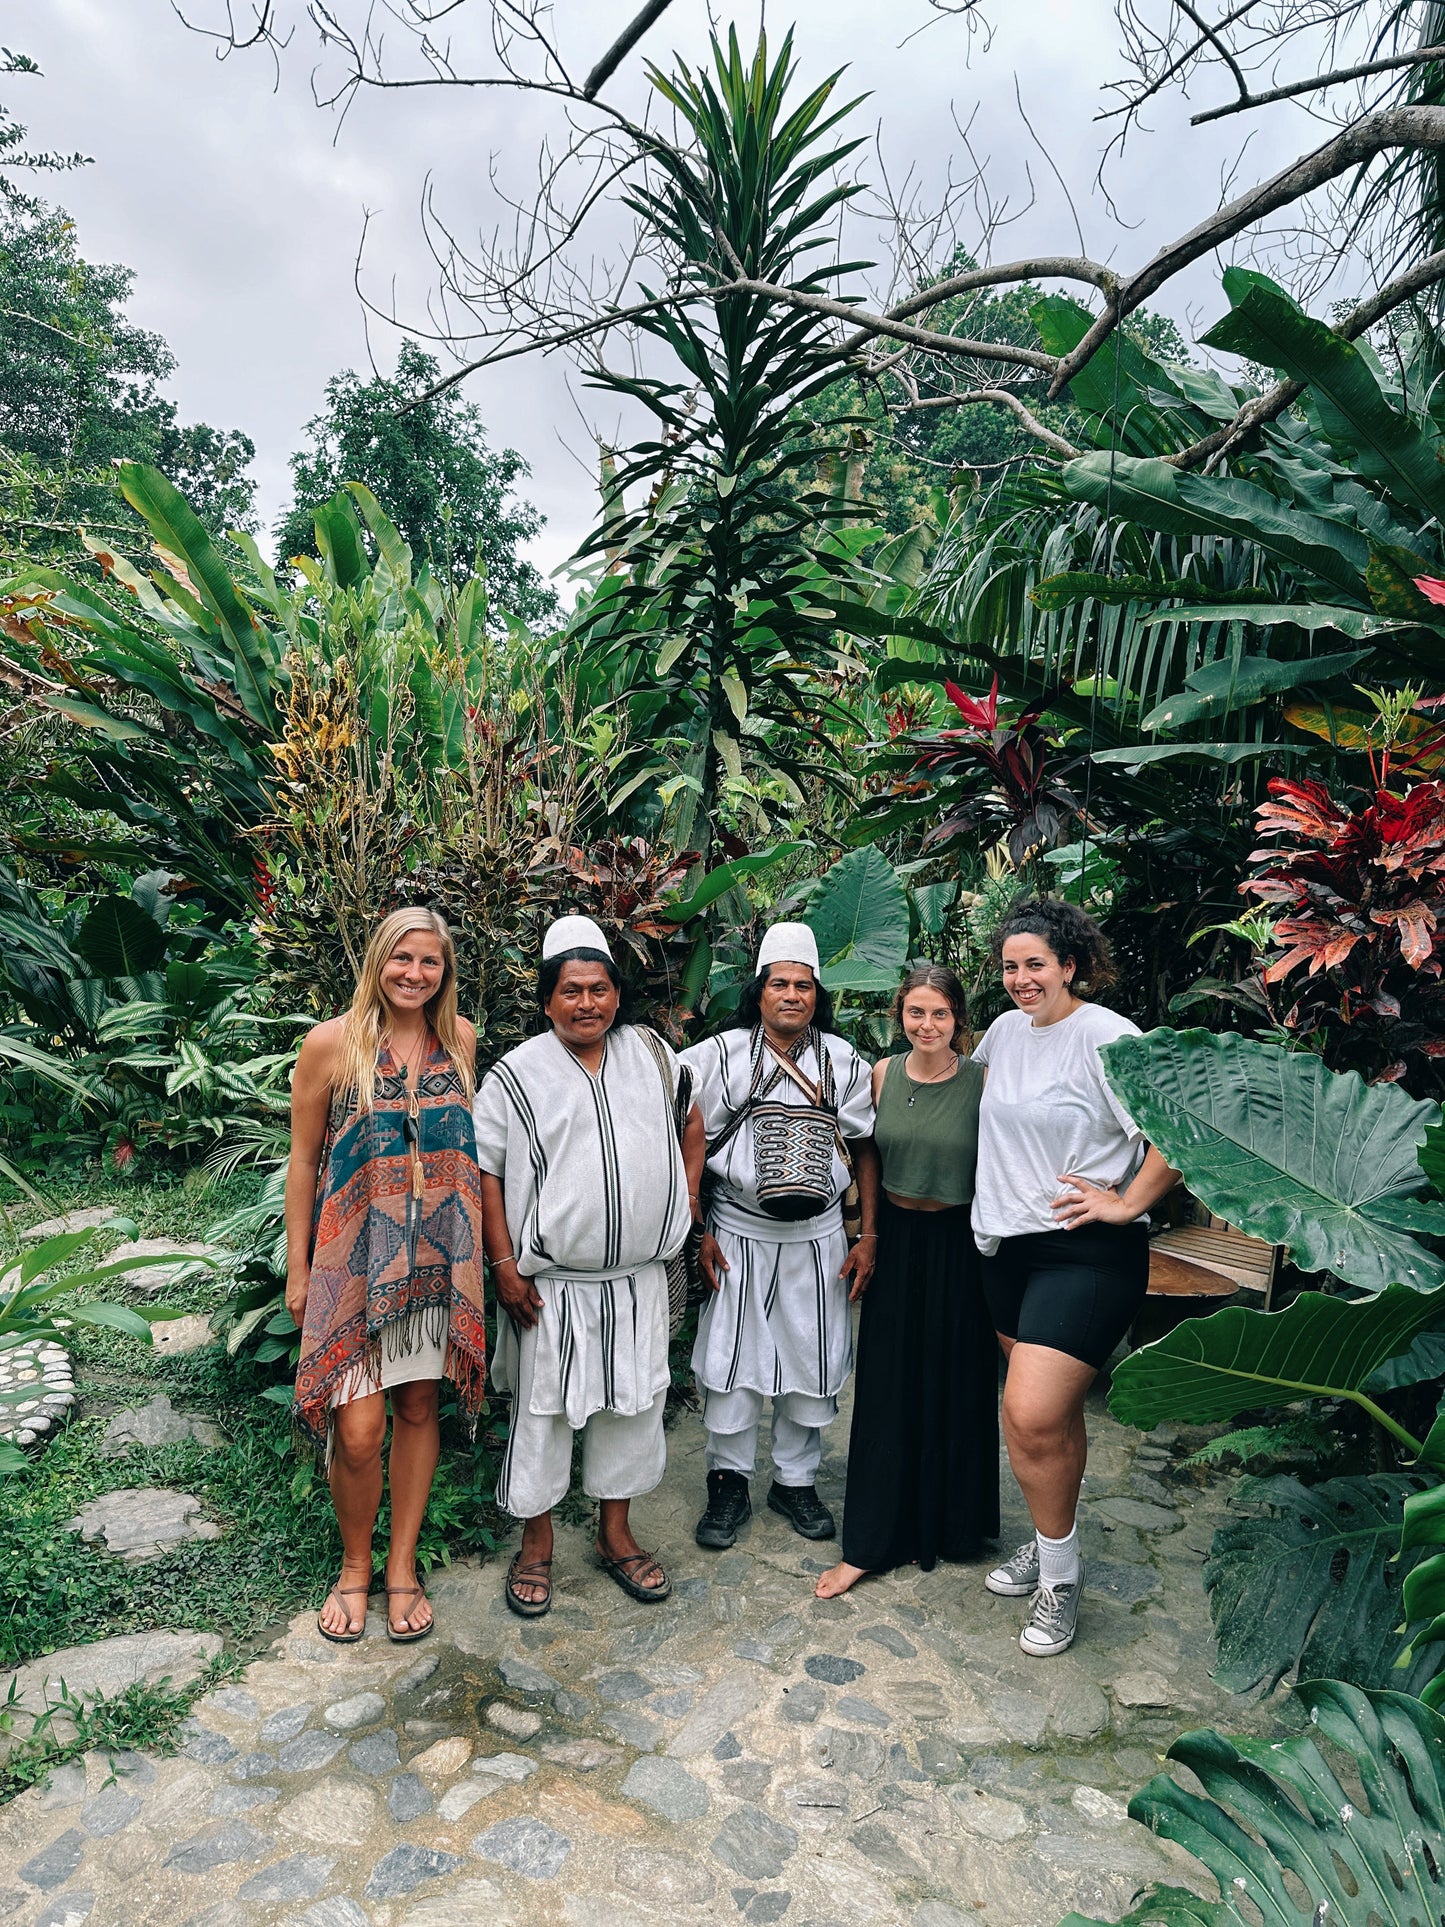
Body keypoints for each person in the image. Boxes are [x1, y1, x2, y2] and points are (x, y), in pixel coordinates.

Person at [472, 916, 702, 1618]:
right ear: (547, 999)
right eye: (570, 991)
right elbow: (486, 1171)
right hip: (551, 1287)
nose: (586, 1003)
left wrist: (685, 1198)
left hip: (636, 1279)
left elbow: (692, 1119)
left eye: (599, 989)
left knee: (633, 1407)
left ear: (616, 994)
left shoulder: (652, 1056)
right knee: (541, 1415)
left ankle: (615, 1534)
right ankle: (536, 1544)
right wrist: (503, 1265)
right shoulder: (516, 1075)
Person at [972, 898, 1178, 1657]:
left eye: (1035, 964)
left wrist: (1126, 1202)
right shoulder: (1003, 1033)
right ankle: (1049, 1538)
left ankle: (1060, 1579)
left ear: (1069, 965)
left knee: (1027, 1415)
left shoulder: (1108, 1037)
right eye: (1009, 966)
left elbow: (1176, 1133)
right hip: (1005, 1248)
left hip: (1082, 1250)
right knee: (1054, 1422)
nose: (1021, 978)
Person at [286, 908, 487, 1645]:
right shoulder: (332, 1044)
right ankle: (354, 1566)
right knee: (360, 1431)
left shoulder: (459, 1039)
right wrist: (299, 1266)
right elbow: (304, 1159)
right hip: (354, 1263)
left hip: (437, 1263)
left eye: (430, 961)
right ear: (377, 960)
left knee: (419, 1407)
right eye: (402, 958)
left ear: (445, 970)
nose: (414, 973)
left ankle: (401, 1566)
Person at [684, 922, 879, 1550]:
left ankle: (795, 1481)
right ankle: (728, 1482)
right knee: (733, 1361)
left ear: (817, 994)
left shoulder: (844, 1061)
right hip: (735, 1233)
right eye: (779, 984)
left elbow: (865, 1147)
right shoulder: (718, 1057)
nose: (792, 995)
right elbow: (681, 1131)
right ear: (759, 990)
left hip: (819, 1239)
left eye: (803, 985)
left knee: (811, 1356)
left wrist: (868, 1234)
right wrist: (697, 1228)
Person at [815, 964, 997, 1598]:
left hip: (960, 1245)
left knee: (955, 1382)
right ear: (901, 1015)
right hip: (895, 1240)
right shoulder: (882, 1074)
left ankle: (951, 1526)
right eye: (916, 1012)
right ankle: (872, 1541)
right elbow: (864, 1152)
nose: (927, 1024)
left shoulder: (982, 1081)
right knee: (888, 1386)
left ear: (958, 1019)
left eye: (940, 1013)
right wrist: (866, 1233)